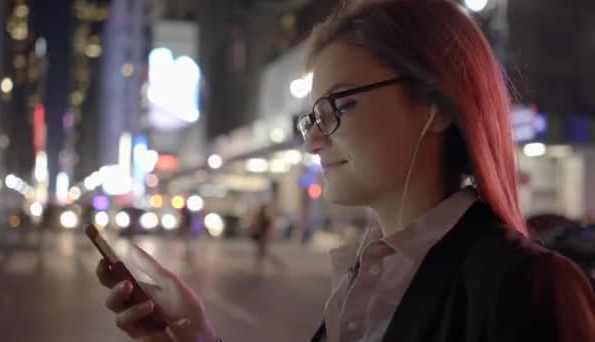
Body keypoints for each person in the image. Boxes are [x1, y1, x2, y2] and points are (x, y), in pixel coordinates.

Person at [95, 0, 595, 341]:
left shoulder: (527, 288)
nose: (313, 138)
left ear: (435, 105)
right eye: (310, 117)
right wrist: (195, 334)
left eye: (337, 107)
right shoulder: (368, 277)